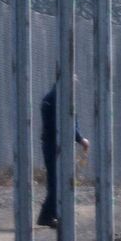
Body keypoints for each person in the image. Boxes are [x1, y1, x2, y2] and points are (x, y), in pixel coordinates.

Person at [37, 80, 89, 229]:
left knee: (58, 180)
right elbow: (65, 123)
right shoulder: (57, 99)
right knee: (57, 181)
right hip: (54, 145)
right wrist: (80, 139)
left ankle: (53, 213)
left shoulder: (56, 97)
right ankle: (47, 215)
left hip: (55, 145)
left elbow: (73, 120)